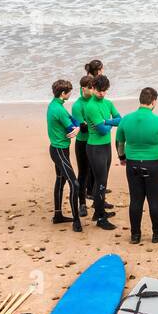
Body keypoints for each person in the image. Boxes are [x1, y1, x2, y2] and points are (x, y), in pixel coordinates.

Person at [116, 87, 158, 244]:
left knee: (136, 200)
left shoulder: (126, 119)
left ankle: (135, 235)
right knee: (154, 200)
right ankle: (157, 233)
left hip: (132, 164)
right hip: (154, 165)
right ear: (154, 102)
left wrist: (122, 157)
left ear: (140, 100)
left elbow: (119, 141)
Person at [81, 74, 121, 229]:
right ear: (93, 88)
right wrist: (110, 123)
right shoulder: (90, 106)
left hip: (105, 147)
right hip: (95, 147)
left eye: (105, 91)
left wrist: (107, 121)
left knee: (103, 180)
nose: (102, 93)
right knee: (100, 182)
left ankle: (99, 211)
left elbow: (120, 119)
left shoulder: (108, 103)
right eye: (99, 91)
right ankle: (100, 218)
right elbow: (103, 130)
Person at [46, 79, 83, 232]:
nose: (70, 94)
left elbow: (74, 121)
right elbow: (70, 128)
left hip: (57, 149)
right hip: (60, 150)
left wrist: (78, 127)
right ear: (63, 93)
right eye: (69, 92)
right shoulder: (59, 110)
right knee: (74, 184)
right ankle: (76, 220)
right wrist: (77, 128)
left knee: (60, 181)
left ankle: (58, 215)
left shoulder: (55, 104)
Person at [71, 73, 96, 214]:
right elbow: (83, 128)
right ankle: (82, 203)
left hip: (95, 143)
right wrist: (98, 124)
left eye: (93, 87)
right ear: (82, 88)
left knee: (98, 173)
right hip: (82, 142)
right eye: (89, 88)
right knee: (83, 173)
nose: (92, 90)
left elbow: (103, 118)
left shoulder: (96, 101)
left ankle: (99, 201)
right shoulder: (77, 105)